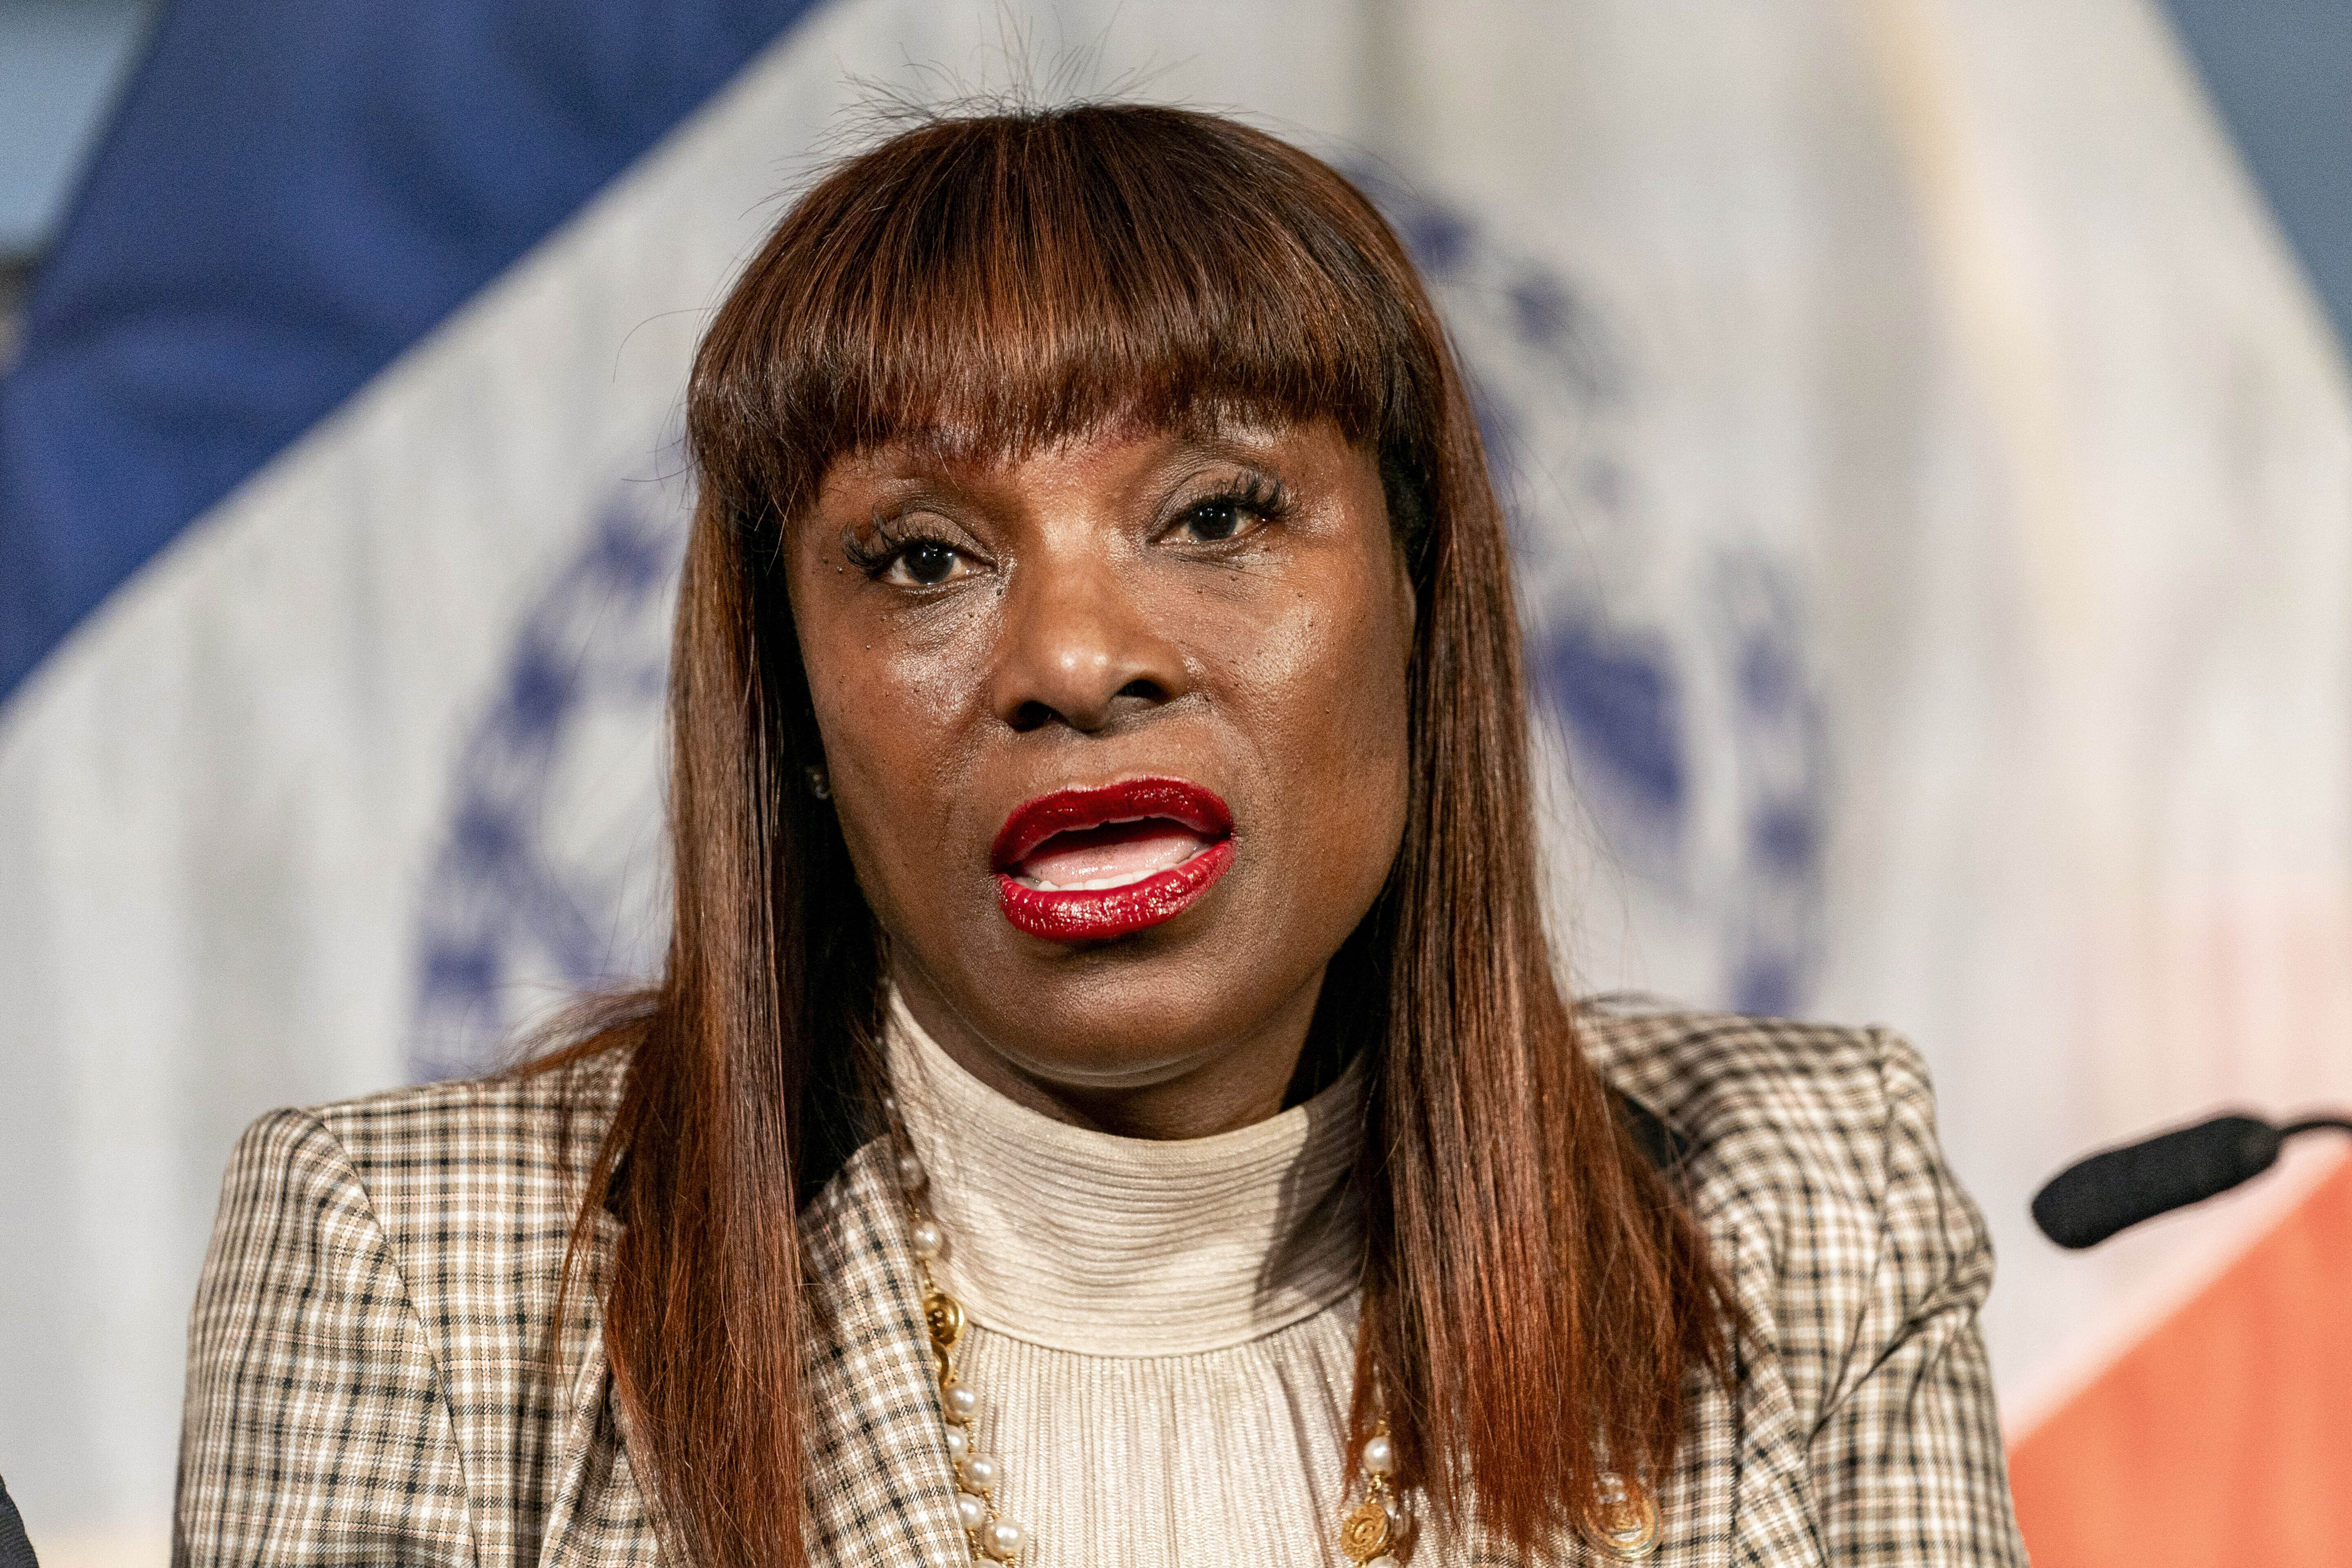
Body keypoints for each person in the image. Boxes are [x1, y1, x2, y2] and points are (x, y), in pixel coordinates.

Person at [176, 104, 2026, 1568]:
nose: (1075, 658)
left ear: (1421, 600)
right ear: (795, 709)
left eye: (1217, 515)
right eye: (924, 560)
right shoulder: (424, 1263)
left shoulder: (1795, 1205)